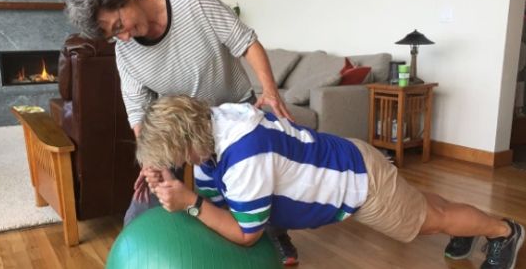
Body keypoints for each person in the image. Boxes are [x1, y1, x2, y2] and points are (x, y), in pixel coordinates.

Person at [65, 0, 297, 264]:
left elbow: (246, 42)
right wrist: (149, 158)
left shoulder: (190, 0)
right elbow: (137, 108)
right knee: (147, 194)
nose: (124, 37)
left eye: (119, 25)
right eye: (114, 35)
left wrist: (270, 91)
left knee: (259, 179)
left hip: (236, 114)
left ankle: (277, 235)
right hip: (183, 127)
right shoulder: (126, 52)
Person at [136, 95, 524, 269]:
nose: (178, 163)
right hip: (348, 158)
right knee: (428, 208)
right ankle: (466, 226)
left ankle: (504, 231)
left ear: (188, 138)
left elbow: (245, 233)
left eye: (175, 155)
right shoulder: (214, 127)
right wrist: (174, 182)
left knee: (426, 220)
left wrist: (189, 202)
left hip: (358, 182)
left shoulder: (245, 154)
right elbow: (215, 199)